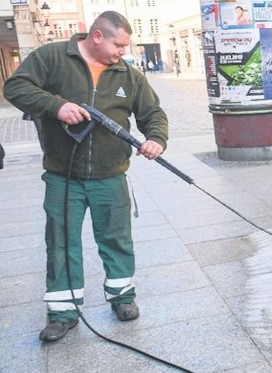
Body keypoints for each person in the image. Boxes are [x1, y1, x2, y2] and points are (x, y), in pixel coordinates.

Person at [3, 11, 168, 342]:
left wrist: (155, 139)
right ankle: (63, 312)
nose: (123, 51)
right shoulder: (52, 57)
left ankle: (122, 298)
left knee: (116, 239)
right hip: (63, 176)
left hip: (111, 175)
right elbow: (15, 87)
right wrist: (55, 106)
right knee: (61, 241)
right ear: (96, 36)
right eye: (118, 44)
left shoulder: (128, 74)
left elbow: (153, 113)